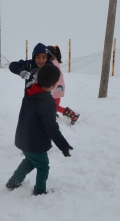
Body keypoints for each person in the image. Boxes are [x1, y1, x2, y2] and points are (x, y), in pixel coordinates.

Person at [5, 64, 73, 195]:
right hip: (35, 143)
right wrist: (63, 145)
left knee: (29, 161)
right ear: (54, 84)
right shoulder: (47, 102)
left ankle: (13, 182)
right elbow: (52, 128)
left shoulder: (30, 91)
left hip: (24, 138)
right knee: (43, 166)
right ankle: (40, 191)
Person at [46, 45, 79, 124]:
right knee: (52, 103)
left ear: (52, 55)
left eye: (47, 55)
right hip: (58, 85)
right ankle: (53, 114)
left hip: (57, 86)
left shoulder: (52, 63)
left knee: (55, 106)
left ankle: (73, 115)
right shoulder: (54, 62)